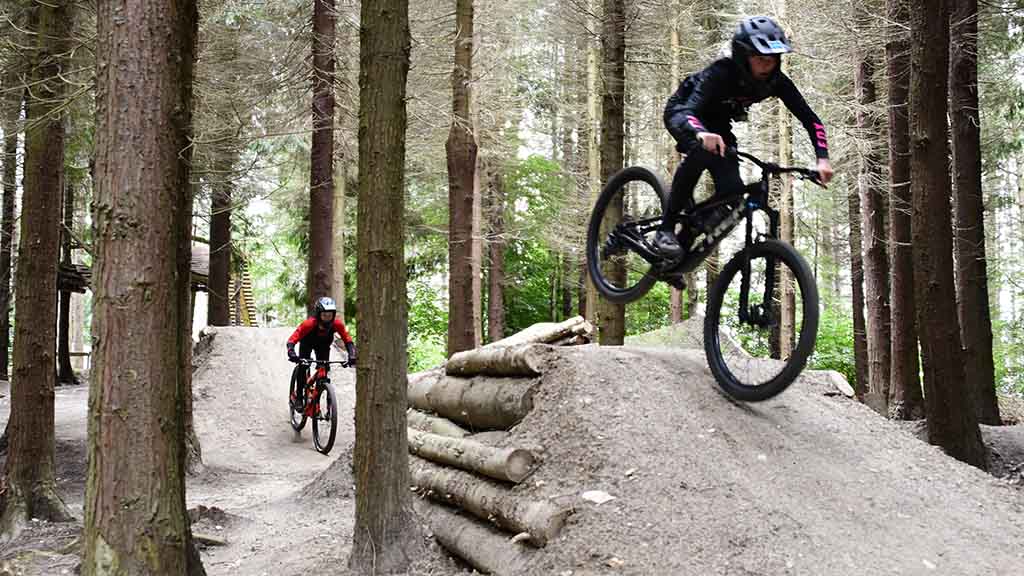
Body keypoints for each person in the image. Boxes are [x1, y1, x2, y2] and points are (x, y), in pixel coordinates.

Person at [657, 15, 834, 259]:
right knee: (701, 151)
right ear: (743, 55)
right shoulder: (720, 72)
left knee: (732, 196)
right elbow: (689, 110)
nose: (766, 66)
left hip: (719, 127)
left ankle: (680, 251)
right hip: (684, 113)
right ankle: (665, 230)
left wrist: (822, 159)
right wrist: (701, 133)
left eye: (771, 60)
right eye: (759, 59)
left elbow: (810, 118)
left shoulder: (777, 82)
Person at [286, 296, 355, 410]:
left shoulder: (337, 324)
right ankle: (299, 397)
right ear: (318, 314)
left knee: (325, 369)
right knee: (303, 367)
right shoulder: (309, 324)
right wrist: (291, 352)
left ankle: (325, 398)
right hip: (307, 344)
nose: (327, 318)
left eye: (330, 315)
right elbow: (292, 339)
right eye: (324, 315)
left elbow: (348, 340)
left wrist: (352, 355)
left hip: (323, 346)